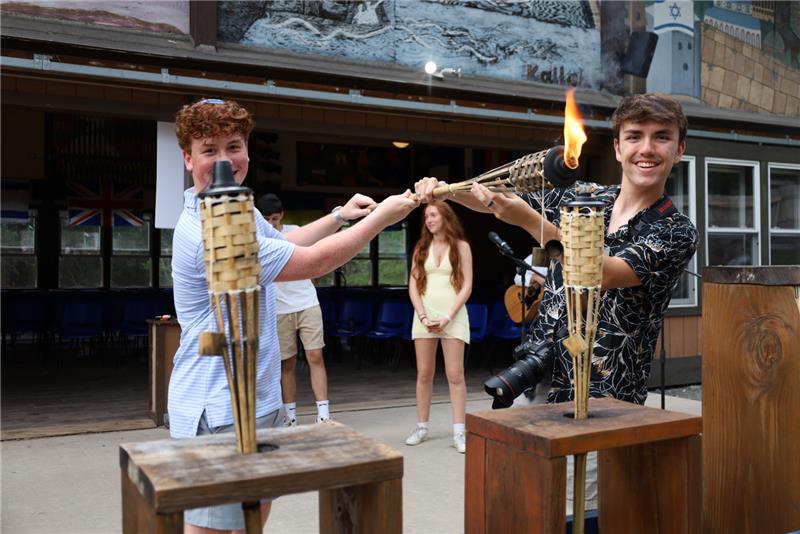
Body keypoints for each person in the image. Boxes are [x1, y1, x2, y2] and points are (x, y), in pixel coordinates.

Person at [169, 97, 417, 534]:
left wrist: (341, 215)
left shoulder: (235, 208)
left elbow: (294, 242)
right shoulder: (208, 228)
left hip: (257, 395)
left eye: (234, 146)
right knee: (210, 530)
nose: (225, 160)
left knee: (252, 520)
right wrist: (385, 217)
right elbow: (311, 264)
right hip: (219, 403)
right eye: (209, 150)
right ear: (188, 158)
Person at [415, 92, 698, 407]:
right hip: (536, 380)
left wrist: (531, 223)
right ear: (618, 148)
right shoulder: (584, 196)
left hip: (607, 398)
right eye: (634, 137)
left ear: (679, 150)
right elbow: (494, 198)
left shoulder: (676, 231)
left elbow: (600, 273)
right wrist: (446, 191)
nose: (646, 149)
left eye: (661, 137)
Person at [257, 193, 332, 426]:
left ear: (282, 217)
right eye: (267, 219)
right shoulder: (256, 238)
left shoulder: (295, 231)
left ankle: (324, 414)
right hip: (279, 309)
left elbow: (316, 260)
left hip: (307, 302)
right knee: (287, 363)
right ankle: (290, 416)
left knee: (315, 355)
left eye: (276, 219)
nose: (272, 224)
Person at [406, 201, 473, 454]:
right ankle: (421, 427)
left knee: (455, 375)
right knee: (424, 373)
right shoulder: (421, 247)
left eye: (433, 215)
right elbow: (413, 284)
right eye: (426, 216)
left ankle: (459, 431)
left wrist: (447, 316)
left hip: (452, 316)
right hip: (425, 316)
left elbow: (467, 286)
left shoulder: (461, 246)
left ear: (446, 217)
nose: (429, 220)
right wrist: (422, 315)